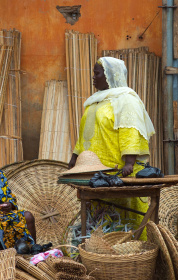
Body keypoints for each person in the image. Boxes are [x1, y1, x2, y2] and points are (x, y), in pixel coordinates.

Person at [68, 57, 155, 236]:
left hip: (118, 168)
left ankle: (130, 250)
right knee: (99, 215)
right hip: (94, 169)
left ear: (109, 75)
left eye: (97, 73)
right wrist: (75, 157)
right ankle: (100, 252)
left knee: (124, 215)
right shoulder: (95, 101)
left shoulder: (126, 100)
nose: (93, 77)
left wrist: (129, 162)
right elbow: (84, 133)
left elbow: (130, 130)